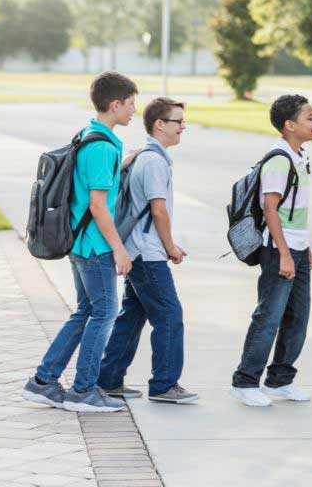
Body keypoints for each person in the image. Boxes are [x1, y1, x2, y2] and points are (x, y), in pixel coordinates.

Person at [22, 71, 137, 413]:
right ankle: (83, 390)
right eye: (131, 104)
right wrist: (119, 248)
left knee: (87, 311)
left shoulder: (88, 135)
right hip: (95, 246)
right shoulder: (102, 148)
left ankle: (43, 381)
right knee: (105, 312)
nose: (134, 110)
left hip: (78, 241)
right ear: (115, 104)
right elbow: (99, 206)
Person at [97, 98, 198, 404]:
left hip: (138, 250)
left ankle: (109, 379)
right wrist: (170, 247)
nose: (183, 127)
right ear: (159, 124)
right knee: (169, 316)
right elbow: (158, 211)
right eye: (178, 121)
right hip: (148, 254)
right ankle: (164, 385)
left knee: (132, 316)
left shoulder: (146, 155)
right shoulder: (154, 161)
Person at [230, 95, 312, 407]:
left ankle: (280, 381)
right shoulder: (279, 159)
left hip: (297, 247)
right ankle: (245, 381)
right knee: (269, 316)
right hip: (278, 249)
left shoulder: (299, 156)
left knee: (298, 316)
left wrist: (304, 247)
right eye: (309, 118)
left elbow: (295, 212)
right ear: (289, 125)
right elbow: (270, 209)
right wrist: (283, 253)